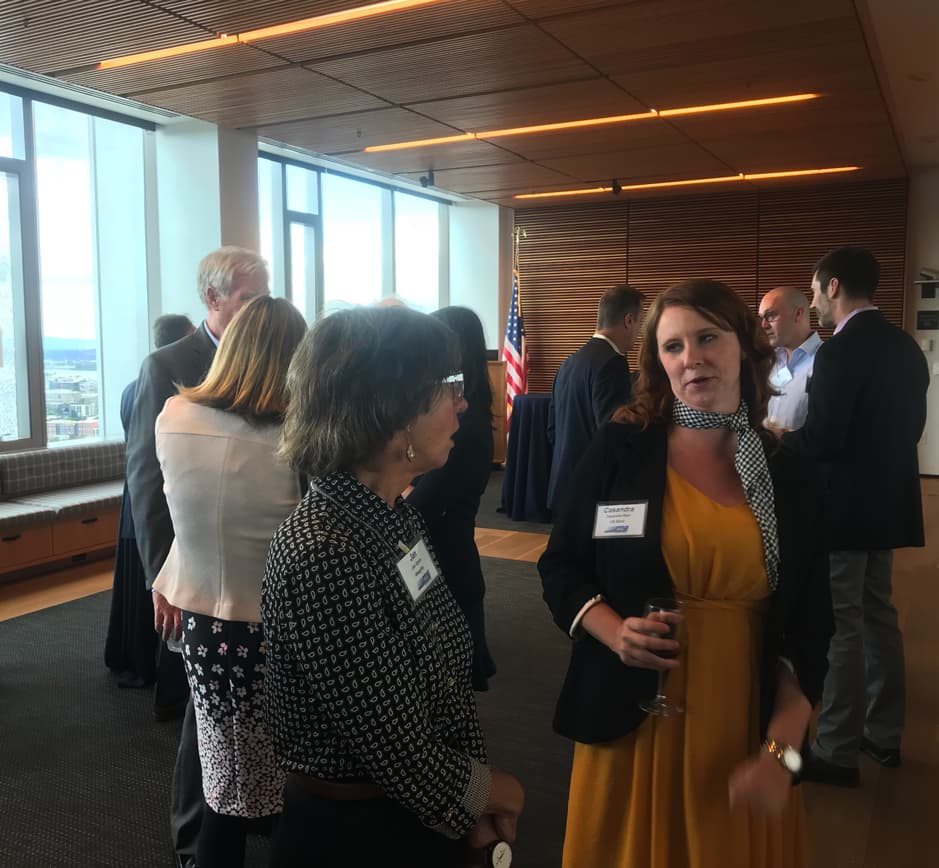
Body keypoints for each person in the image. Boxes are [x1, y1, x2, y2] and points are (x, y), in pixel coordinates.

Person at [539, 279, 833, 868]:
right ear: (658, 365)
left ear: (745, 349)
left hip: (738, 725)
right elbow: (562, 565)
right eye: (672, 347)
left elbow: (812, 630)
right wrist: (613, 630)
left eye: (707, 338)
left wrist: (782, 759)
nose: (691, 358)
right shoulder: (621, 450)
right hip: (630, 719)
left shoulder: (787, 475)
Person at [262, 306, 524, 867]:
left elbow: (443, 672)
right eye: (446, 388)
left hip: (409, 817)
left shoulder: (391, 517)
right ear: (392, 413)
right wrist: (497, 793)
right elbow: (398, 753)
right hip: (355, 836)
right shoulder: (324, 552)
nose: (463, 402)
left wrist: (473, 802)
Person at [125, 246, 270, 868]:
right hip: (193, 575)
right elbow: (146, 483)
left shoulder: (271, 361)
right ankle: (194, 843)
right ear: (213, 300)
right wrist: (165, 578)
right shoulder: (169, 366)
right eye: (247, 299)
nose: (257, 308)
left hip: (253, 567)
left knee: (235, 714)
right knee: (200, 716)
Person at [151, 296, 306, 868]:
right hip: (277, 632)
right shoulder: (298, 441)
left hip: (204, 630)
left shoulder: (174, 416)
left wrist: (164, 579)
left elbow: (190, 516)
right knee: (297, 786)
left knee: (223, 783)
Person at [782, 247, 928, 786]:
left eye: (815, 289)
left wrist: (779, 439)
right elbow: (911, 431)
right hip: (888, 504)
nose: (814, 299)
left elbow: (824, 438)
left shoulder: (840, 353)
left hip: (843, 507)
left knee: (842, 625)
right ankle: (884, 736)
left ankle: (837, 749)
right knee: (878, 614)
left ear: (834, 285)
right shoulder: (906, 348)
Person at [407, 305, 497, 691]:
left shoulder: (466, 426)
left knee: (449, 693)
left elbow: (421, 505)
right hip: (440, 562)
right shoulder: (459, 416)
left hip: (447, 569)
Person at [106, 314, 195, 689]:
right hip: (151, 496)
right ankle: (150, 666)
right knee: (153, 584)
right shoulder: (163, 383)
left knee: (133, 586)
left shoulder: (129, 388)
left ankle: (132, 658)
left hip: (135, 500)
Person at [547, 284, 642, 512]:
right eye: (640, 322)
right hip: (593, 490)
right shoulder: (613, 363)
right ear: (629, 320)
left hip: (564, 484)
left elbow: (552, 429)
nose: (639, 331)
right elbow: (612, 433)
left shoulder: (568, 363)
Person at [758, 287, 821, 430]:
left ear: (798, 314)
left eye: (771, 315)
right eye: (762, 317)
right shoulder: (767, 361)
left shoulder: (826, 361)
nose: (764, 325)